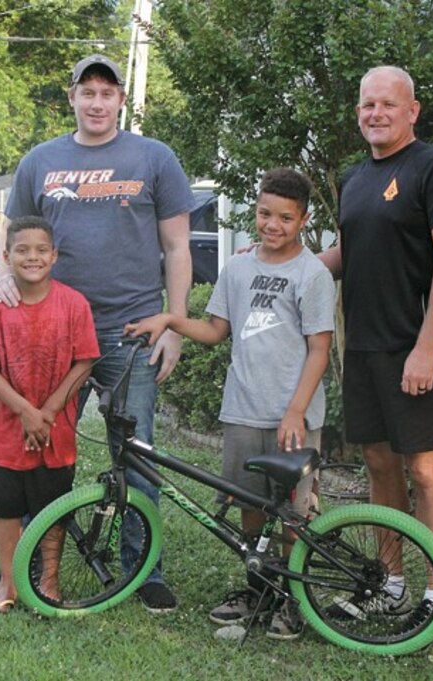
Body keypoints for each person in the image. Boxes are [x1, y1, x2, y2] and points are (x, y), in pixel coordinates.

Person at [0, 54, 194, 613]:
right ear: (71, 97)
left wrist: (174, 322)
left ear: (121, 100)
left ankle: (143, 568)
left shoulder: (154, 158)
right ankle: (26, 557)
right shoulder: (40, 161)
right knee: (42, 447)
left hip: (134, 330)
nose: (97, 102)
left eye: (107, 92)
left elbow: (177, 247)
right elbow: (16, 239)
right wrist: (4, 282)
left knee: (137, 451)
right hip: (53, 332)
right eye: (87, 91)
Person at [126, 168, 336, 640]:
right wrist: (170, 319)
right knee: (249, 507)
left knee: (294, 516)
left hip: (293, 415)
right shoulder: (238, 268)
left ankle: (294, 600)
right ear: (254, 212)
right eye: (264, 214)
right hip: (242, 408)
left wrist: (296, 410)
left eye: (285, 217)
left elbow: (320, 349)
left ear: (302, 219)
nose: (272, 225)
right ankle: (259, 588)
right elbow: (216, 331)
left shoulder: (313, 274)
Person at [318, 65, 433, 642]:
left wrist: (426, 348)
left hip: (417, 346)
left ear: (412, 111)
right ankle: (390, 583)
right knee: (379, 464)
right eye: (366, 105)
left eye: (388, 104)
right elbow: (345, 252)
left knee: (425, 469)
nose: (375, 113)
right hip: (363, 345)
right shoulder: (355, 177)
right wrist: (282, 275)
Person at [0, 216, 100, 613]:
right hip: (7, 432)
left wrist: (48, 410)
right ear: (7, 256)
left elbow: (84, 362)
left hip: (55, 430)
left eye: (42, 250)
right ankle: (9, 583)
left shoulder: (73, 303)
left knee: (52, 510)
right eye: (23, 250)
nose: (33, 257)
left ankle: (49, 581)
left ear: (55, 255)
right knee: (7, 510)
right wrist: (26, 412)